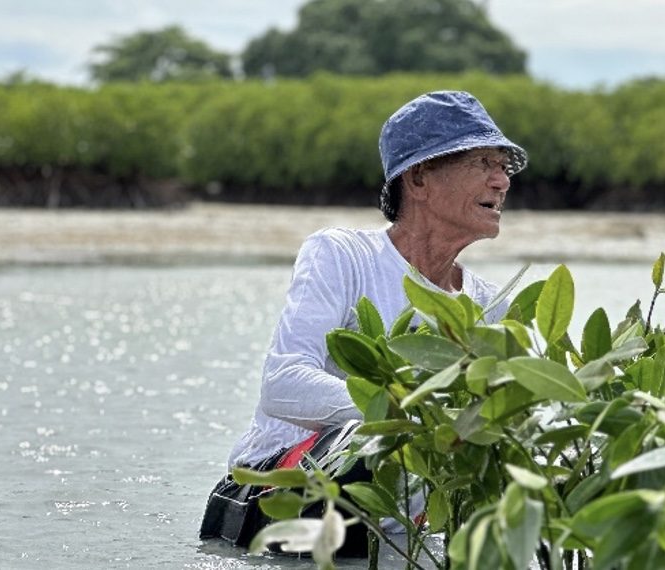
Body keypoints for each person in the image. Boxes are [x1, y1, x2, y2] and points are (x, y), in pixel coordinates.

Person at [199, 90, 528, 555]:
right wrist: (410, 417)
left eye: (504, 166)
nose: (502, 181)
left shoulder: (491, 307)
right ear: (418, 179)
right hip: (269, 503)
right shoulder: (342, 255)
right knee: (368, 442)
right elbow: (282, 385)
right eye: (483, 163)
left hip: (400, 525)